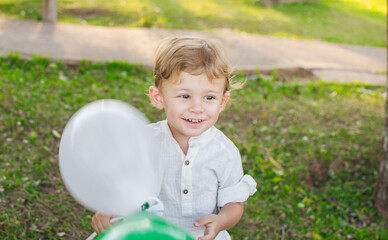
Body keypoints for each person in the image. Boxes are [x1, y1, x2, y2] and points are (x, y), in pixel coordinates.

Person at [92, 36, 257, 240]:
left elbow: (233, 204)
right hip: (149, 233)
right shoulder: (144, 141)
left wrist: (221, 221)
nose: (197, 108)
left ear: (222, 101)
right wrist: (110, 206)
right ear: (158, 97)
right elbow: (123, 183)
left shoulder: (224, 152)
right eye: (185, 96)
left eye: (209, 97)